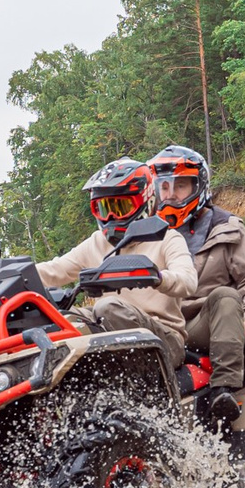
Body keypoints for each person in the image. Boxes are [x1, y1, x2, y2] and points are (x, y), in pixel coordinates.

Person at [146, 143, 245, 424]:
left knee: (225, 296)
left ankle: (223, 390)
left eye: (180, 186)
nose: (170, 195)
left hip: (202, 324)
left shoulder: (226, 228)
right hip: (158, 324)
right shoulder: (143, 233)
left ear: (199, 186)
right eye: (163, 187)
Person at [35, 158, 198, 373]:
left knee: (107, 307)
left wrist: (157, 277)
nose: (111, 216)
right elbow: (55, 270)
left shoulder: (168, 238)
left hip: (165, 340)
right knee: (60, 317)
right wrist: (13, 274)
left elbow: (188, 281)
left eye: (120, 207)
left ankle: (136, 379)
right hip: (111, 334)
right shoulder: (97, 242)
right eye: (104, 209)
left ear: (146, 201)